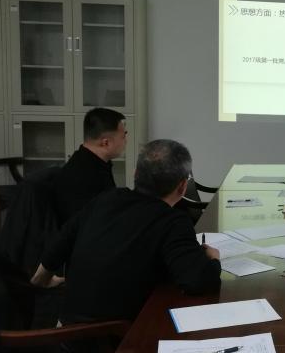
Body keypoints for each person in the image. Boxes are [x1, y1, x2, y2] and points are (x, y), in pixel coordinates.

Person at [31, 139, 221, 324]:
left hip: (66, 328)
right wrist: (213, 258)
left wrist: (42, 281)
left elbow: (60, 243)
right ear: (182, 187)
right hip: (118, 335)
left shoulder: (105, 199)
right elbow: (198, 282)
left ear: (135, 173)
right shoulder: (173, 221)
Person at [51, 107, 128, 222]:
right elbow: (95, 223)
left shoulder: (94, 162)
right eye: (123, 136)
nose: (126, 141)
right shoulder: (84, 175)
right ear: (106, 143)